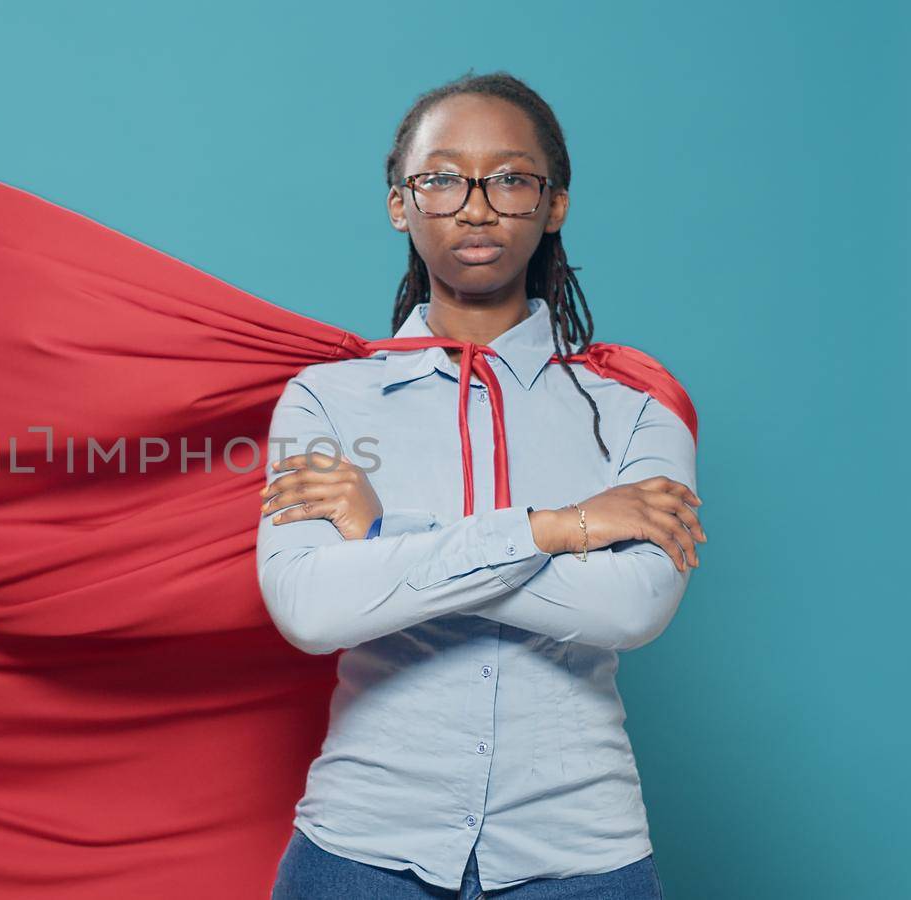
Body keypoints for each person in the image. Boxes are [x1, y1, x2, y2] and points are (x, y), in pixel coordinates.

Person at [258, 72, 702, 899]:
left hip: (579, 853)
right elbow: (312, 610)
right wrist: (557, 528)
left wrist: (386, 538)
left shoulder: (635, 407)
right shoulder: (327, 398)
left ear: (553, 203)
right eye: (441, 178)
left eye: (509, 178)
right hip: (361, 851)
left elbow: (629, 607)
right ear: (400, 203)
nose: (475, 205)